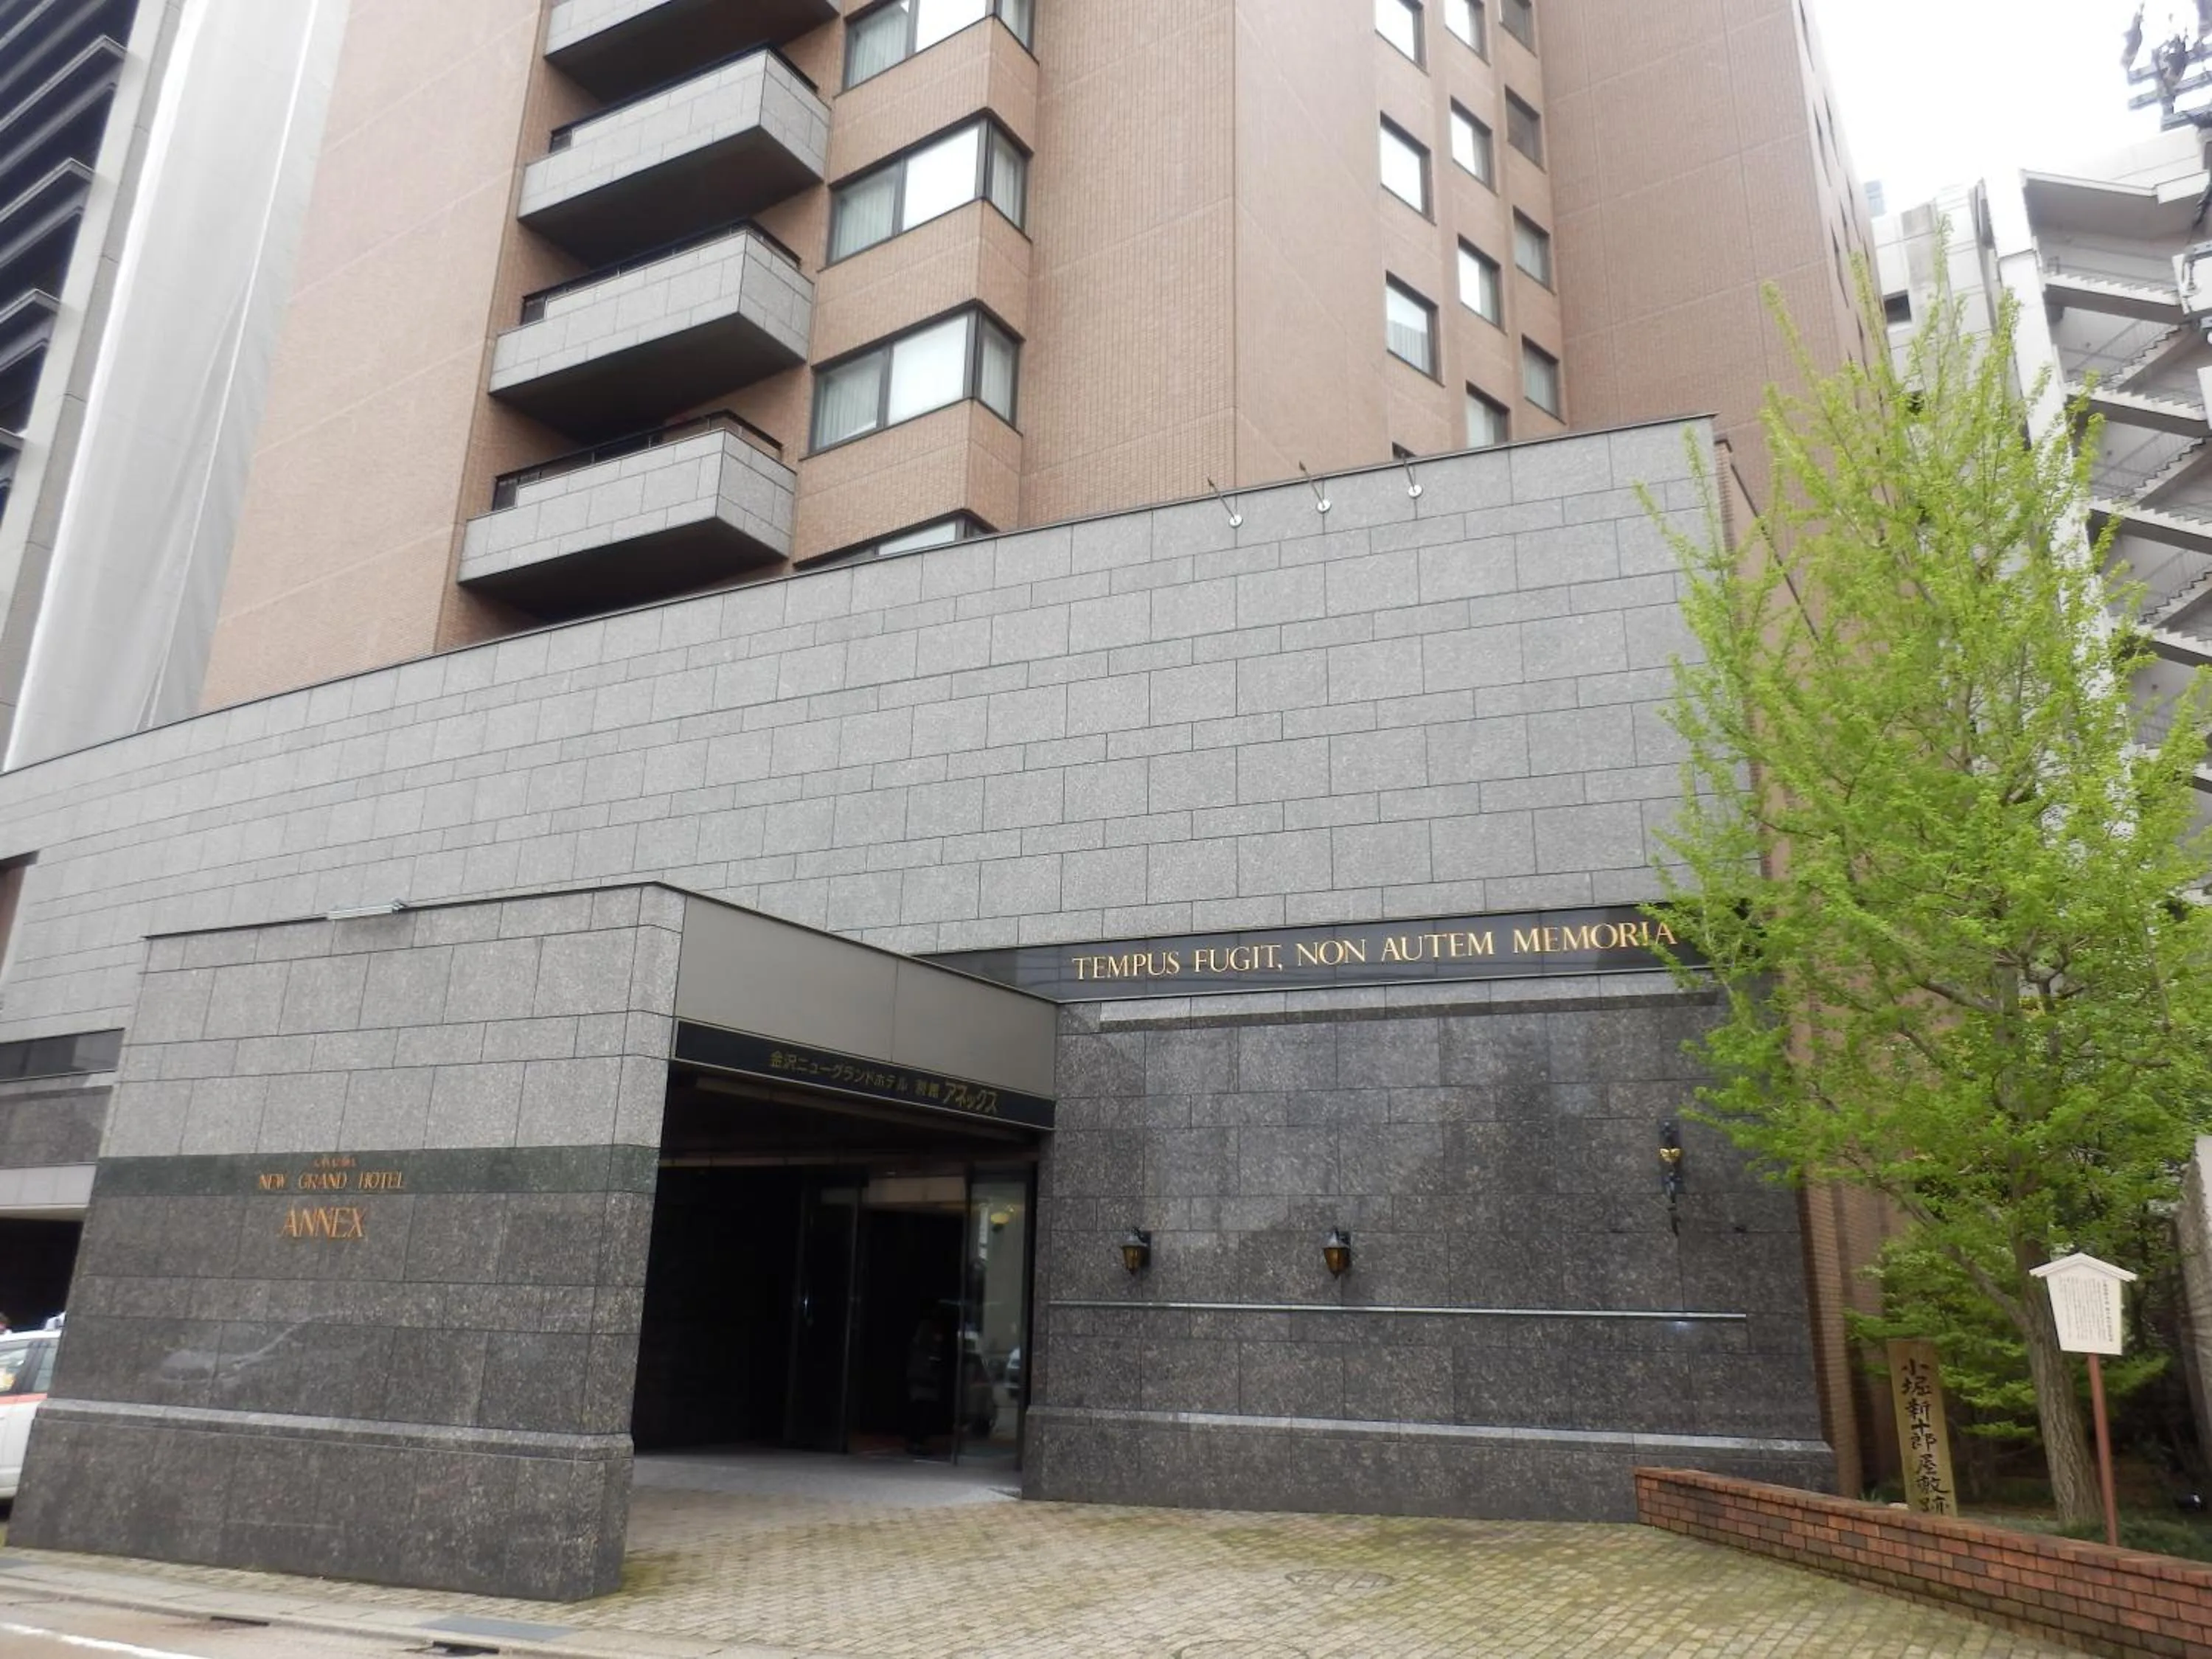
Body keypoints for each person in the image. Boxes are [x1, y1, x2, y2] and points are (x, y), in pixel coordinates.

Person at [902, 1304, 948, 1455]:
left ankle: (917, 1442)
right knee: (920, 1412)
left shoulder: (922, 1347)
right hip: (922, 1380)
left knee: (922, 1412)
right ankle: (916, 1442)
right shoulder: (923, 1346)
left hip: (924, 1380)